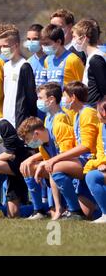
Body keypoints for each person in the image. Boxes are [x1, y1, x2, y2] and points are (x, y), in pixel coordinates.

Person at [17, 82, 75, 220]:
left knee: (50, 167)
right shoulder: (48, 118)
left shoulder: (61, 118)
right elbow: (49, 147)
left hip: (66, 164)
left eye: (40, 98)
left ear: (51, 99)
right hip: (54, 163)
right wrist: (32, 158)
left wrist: (45, 162)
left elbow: (64, 151)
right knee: (28, 166)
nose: (38, 101)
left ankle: (64, 207)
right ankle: (41, 209)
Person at [42, 81, 98, 219]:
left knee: (55, 166)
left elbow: (86, 146)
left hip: (92, 161)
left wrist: (56, 158)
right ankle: (70, 208)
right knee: (88, 212)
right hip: (83, 161)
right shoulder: (78, 114)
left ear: (73, 97)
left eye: (65, 97)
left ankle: (74, 211)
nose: (64, 101)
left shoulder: (87, 113)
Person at [0, 25, 37, 128]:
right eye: (0, 46)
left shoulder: (24, 66)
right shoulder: (5, 66)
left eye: (5, 46)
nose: (2, 49)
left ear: (16, 45)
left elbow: (30, 97)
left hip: (20, 121)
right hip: (7, 118)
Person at [71, 19, 106, 107]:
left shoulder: (96, 59)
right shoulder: (89, 57)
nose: (73, 41)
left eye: (74, 37)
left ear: (83, 38)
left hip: (95, 109)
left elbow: (103, 87)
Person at [85, 96, 106, 223]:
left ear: (103, 112)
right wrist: (102, 162)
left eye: (97, 111)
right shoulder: (101, 126)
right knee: (91, 174)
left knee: (92, 177)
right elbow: (100, 149)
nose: (96, 114)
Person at [24, 24, 47, 119]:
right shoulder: (28, 62)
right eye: (29, 39)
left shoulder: (50, 60)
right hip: (33, 109)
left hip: (47, 107)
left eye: (35, 39)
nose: (31, 42)